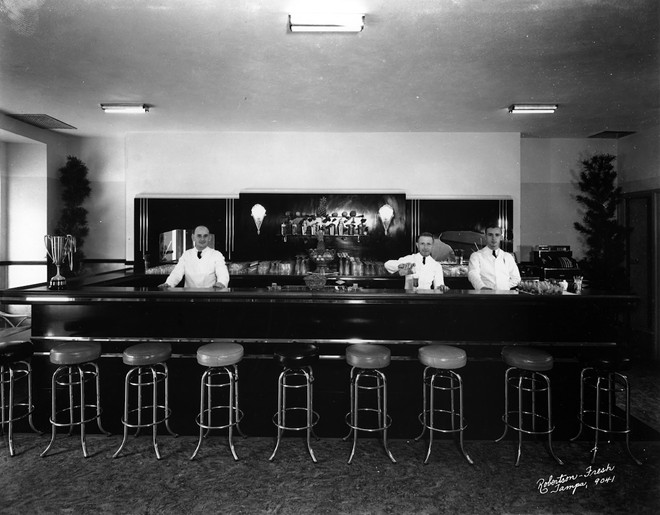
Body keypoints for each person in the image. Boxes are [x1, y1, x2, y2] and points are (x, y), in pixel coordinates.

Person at [158, 225, 229, 289]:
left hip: (209, 295)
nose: (202, 239)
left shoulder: (216, 254)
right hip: (189, 295)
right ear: (193, 237)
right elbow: (177, 273)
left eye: (205, 236)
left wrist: (221, 283)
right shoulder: (186, 254)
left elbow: (223, 273)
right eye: (199, 236)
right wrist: (168, 283)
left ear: (209, 238)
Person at [384, 232, 448, 291]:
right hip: (409, 298)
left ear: (432, 246)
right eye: (422, 244)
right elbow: (387, 265)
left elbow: (438, 287)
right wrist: (403, 266)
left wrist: (442, 287)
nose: (425, 247)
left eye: (428, 244)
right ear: (417, 245)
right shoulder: (410, 259)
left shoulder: (436, 266)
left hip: (427, 299)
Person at [467, 223, 520, 290]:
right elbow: (473, 274)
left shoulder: (508, 257)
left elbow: (516, 278)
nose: (493, 238)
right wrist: (482, 287)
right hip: (484, 296)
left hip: (505, 296)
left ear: (501, 237)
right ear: (485, 236)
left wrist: (502, 286)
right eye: (490, 235)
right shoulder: (476, 256)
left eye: (497, 235)